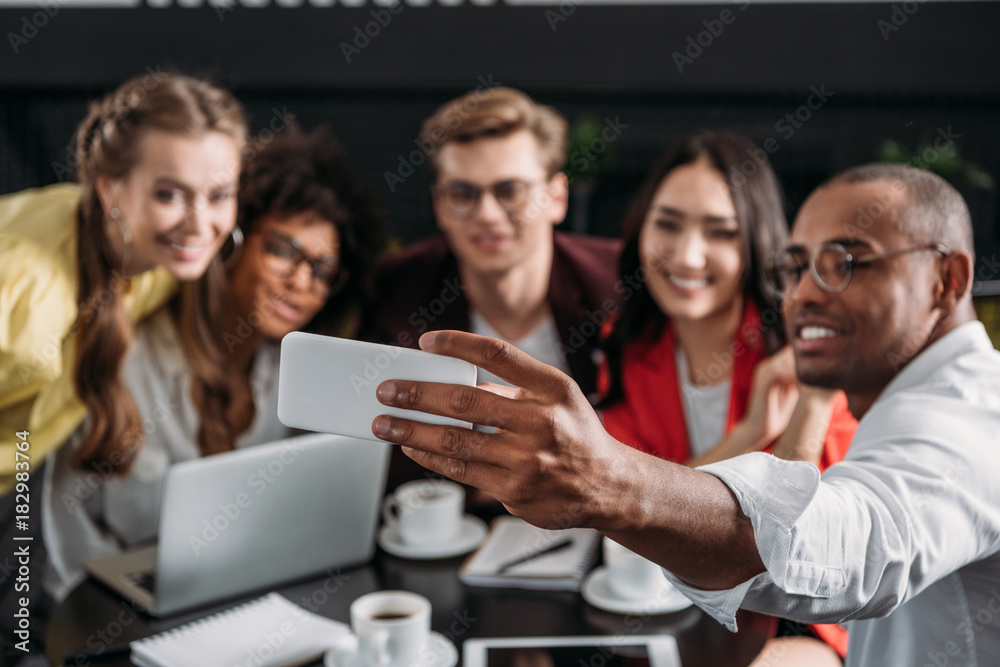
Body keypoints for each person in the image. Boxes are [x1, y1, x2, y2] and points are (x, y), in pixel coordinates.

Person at [371, 163, 1000, 666]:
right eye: (797, 266)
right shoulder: (633, 352)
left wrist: (605, 479)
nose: (806, 292)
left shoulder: (973, 413)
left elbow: (856, 548)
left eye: (846, 262)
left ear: (948, 279)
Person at [41, 123, 386, 601]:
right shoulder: (120, 360)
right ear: (230, 238)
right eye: (283, 250)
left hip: (242, 604)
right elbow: (63, 548)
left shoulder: (292, 383)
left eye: (322, 269)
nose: (302, 280)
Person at [0, 73, 246, 662]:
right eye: (170, 194)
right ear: (111, 190)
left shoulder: (154, 253)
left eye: (218, 194)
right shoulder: (28, 312)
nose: (199, 223)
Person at [597, 131, 856, 661]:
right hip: (666, 600)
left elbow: (805, 543)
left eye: (720, 233)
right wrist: (747, 435)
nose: (688, 256)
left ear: (756, 244)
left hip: (795, 614)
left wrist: (805, 409)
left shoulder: (804, 343)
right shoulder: (628, 341)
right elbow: (622, 500)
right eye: (667, 223)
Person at [358, 86, 620, 491]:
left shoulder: (618, 281)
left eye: (510, 191)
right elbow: (379, 450)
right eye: (463, 194)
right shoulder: (395, 290)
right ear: (440, 206)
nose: (487, 214)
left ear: (557, 196)